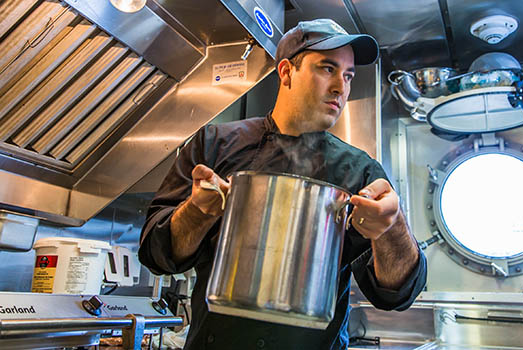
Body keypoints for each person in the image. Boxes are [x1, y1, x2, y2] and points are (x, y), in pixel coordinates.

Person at [138, 18, 426, 350]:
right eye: (327, 69)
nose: (341, 88)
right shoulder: (214, 144)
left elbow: (395, 294)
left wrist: (391, 226)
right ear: (286, 72)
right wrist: (199, 212)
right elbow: (156, 255)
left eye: (348, 76)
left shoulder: (359, 171)